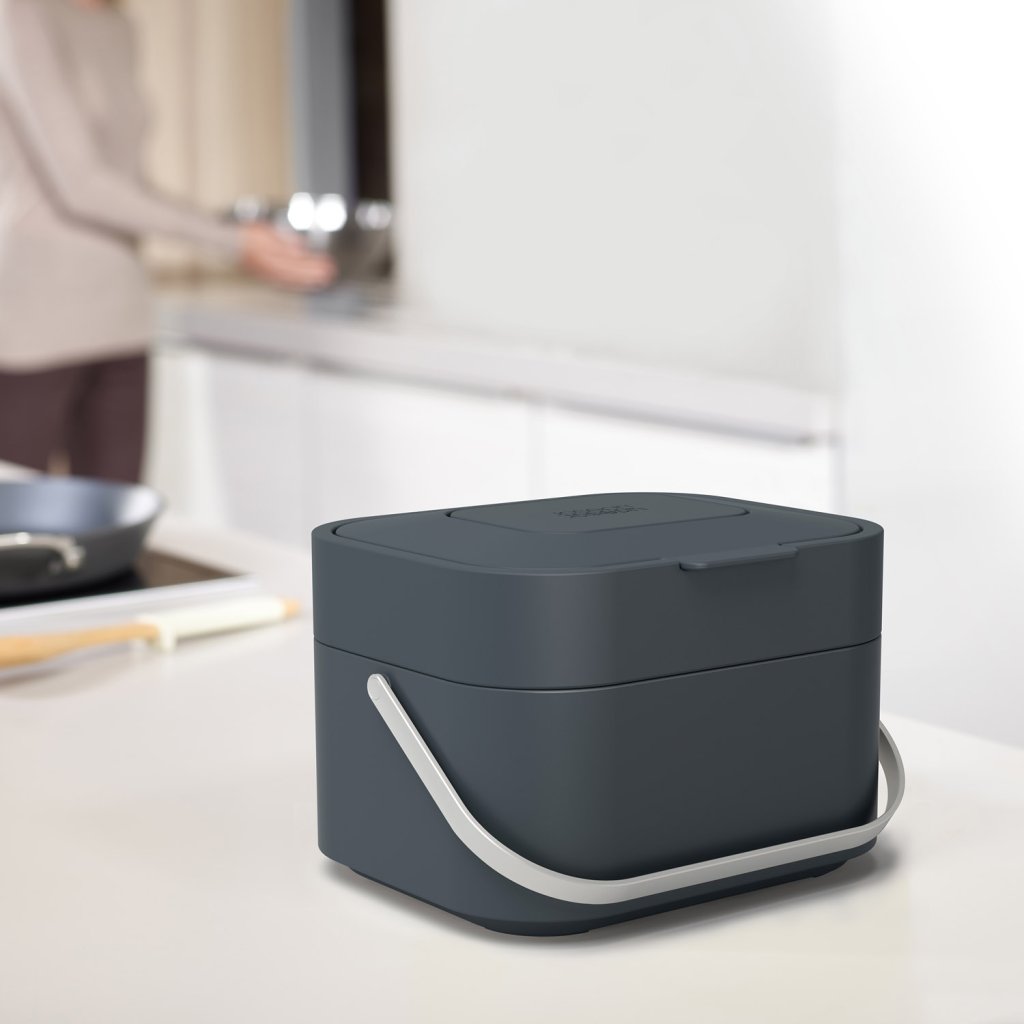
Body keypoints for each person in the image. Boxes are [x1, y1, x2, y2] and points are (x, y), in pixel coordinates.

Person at [0, 0, 334, 482]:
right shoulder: (19, 13)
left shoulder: (116, 25)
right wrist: (231, 241)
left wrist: (248, 237)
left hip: (122, 315)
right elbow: (81, 185)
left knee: (121, 516)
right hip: (35, 321)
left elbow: (129, 184)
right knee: (14, 518)